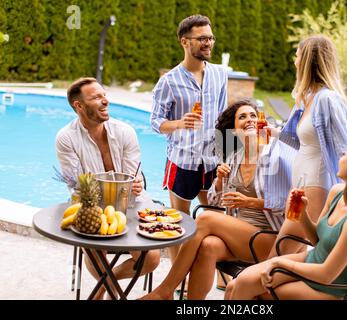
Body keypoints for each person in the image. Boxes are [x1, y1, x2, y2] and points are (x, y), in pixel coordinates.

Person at [140, 100, 284, 300]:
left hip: (270, 239)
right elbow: (215, 202)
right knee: (208, 246)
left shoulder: (274, 156)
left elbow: (287, 206)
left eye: (253, 115)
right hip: (241, 238)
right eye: (242, 117)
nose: (249, 119)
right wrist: (219, 182)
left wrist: (250, 202)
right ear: (233, 129)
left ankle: (165, 290)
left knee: (206, 219)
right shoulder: (234, 157)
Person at [226, 139, 347, 300]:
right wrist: (302, 214)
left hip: (325, 287)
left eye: (344, 155)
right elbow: (317, 241)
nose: (339, 158)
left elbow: (326, 275)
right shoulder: (337, 193)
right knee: (236, 284)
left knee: (250, 291)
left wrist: (280, 263)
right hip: (310, 264)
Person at [56, 77, 160, 299]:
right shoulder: (66, 138)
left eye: (104, 95)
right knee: (95, 248)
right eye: (96, 97)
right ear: (79, 106)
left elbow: (134, 176)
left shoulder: (125, 131)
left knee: (151, 259)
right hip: (89, 207)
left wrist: (137, 182)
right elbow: (77, 188)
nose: (105, 101)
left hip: (131, 205)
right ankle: (116, 294)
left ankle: (102, 288)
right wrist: (122, 186)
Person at [150, 15, 228, 266]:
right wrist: (180, 123)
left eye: (211, 38)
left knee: (219, 217)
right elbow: (155, 122)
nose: (209, 43)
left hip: (213, 159)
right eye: (202, 38)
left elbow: (223, 117)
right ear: (185, 41)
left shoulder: (219, 74)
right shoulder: (168, 82)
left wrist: (230, 156)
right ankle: (176, 281)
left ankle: (220, 274)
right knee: (178, 223)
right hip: (182, 161)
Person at [265, 35, 347, 253]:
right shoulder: (307, 99)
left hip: (316, 182)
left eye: (297, 56)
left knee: (278, 255)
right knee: (293, 253)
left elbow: (344, 148)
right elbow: (301, 142)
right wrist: (274, 133)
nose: (294, 61)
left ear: (307, 61)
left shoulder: (328, 100)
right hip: (300, 181)